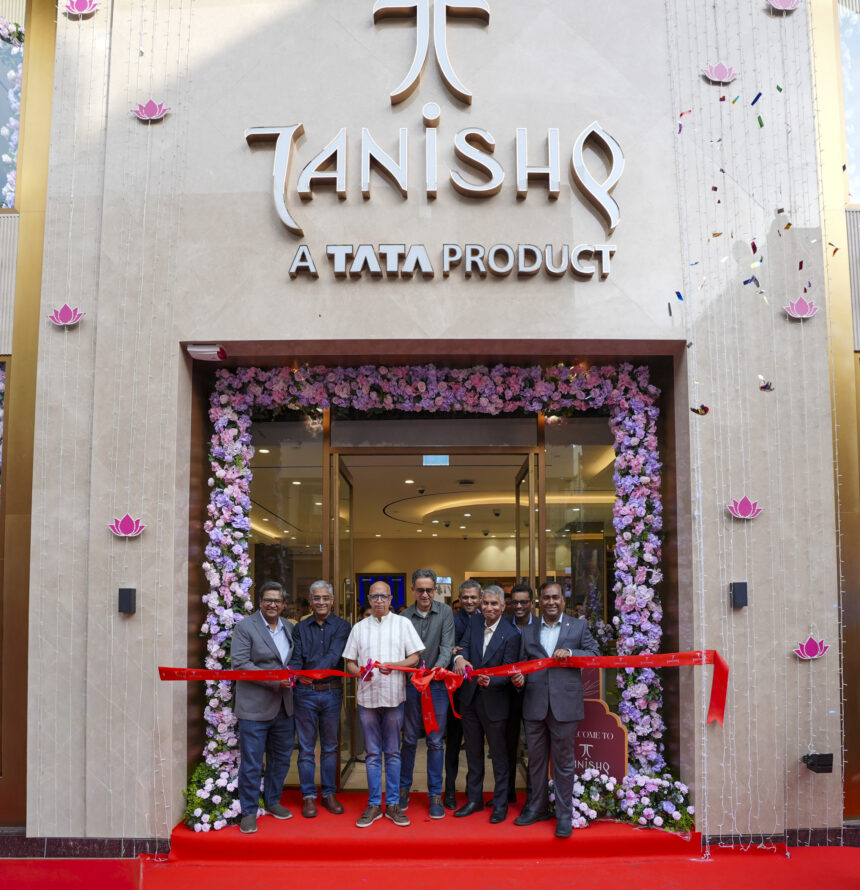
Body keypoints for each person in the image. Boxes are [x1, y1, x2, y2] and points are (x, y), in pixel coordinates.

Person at [511, 581, 600, 838]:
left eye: (555, 597)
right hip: (534, 704)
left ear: (563, 600)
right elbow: (523, 664)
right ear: (540, 601)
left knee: (564, 763)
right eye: (546, 598)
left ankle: (563, 815)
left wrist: (571, 652)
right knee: (536, 762)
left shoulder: (578, 626)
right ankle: (536, 808)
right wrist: (520, 679)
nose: (551, 602)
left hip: (565, 706)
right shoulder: (528, 630)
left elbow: (595, 654)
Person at [343, 581, 423, 828]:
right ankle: (374, 804)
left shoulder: (403, 623)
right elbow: (349, 662)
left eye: (383, 596)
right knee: (372, 754)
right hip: (367, 698)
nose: (379, 600)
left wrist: (395, 665)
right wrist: (359, 672)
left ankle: (394, 804)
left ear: (390, 599)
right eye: (375, 596)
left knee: (393, 752)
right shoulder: (359, 628)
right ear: (369, 599)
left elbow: (415, 657)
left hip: (393, 696)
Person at [230, 581, 296, 834]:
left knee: (281, 759)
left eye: (277, 601)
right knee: (252, 762)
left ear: (283, 604)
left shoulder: (289, 627)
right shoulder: (245, 627)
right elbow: (240, 663)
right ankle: (248, 811)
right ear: (260, 602)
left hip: (284, 706)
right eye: (268, 600)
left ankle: (272, 801)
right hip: (254, 707)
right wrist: (274, 679)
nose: (272, 605)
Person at [451, 585, 520, 823]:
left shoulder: (512, 634)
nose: (489, 607)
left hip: (496, 701)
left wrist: (493, 680)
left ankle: (500, 804)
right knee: (472, 754)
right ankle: (474, 800)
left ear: (503, 606)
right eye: (486, 603)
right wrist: (459, 658)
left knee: (499, 756)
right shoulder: (474, 623)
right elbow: (463, 647)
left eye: (494, 604)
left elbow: (510, 669)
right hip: (470, 699)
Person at [288, 579, 351, 818]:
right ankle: (308, 796)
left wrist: (309, 673)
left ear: (332, 601)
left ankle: (329, 793)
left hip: (331, 693)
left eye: (326, 598)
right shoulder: (300, 628)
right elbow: (296, 658)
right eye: (317, 598)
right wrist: (297, 674)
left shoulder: (343, 627)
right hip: (304, 694)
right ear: (311, 601)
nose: (321, 602)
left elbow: (334, 657)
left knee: (330, 747)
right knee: (305, 749)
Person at [398, 569, 455, 819]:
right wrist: (414, 674)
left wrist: (433, 672)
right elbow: (401, 650)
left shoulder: (445, 612)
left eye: (429, 590)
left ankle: (434, 795)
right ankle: (403, 790)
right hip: (410, 685)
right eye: (420, 590)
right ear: (412, 590)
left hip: (437, 685)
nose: (425, 594)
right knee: (409, 739)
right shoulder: (402, 617)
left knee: (435, 741)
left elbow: (446, 648)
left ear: (435, 590)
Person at [443, 578, 481, 809]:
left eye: (473, 597)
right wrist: (455, 654)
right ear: (459, 599)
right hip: (457, 693)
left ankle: (472, 789)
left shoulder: (487, 618)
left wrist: (460, 650)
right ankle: (449, 790)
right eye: (465, 597)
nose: (469, 601)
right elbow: (447, 649)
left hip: (481, 691)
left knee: (476, 745)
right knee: (453, 744)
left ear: (480, 598)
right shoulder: (452, 621)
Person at [504, 582, 535, 803]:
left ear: (532, 603)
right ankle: (507, 792)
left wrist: (526, 678)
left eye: (524, 602)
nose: (519, 606)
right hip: (506, 693)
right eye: (514, 602)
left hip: (534, 693)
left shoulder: (541, 626)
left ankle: (533, 795)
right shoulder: (503, 624)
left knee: (533, 744)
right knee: (508, 744)